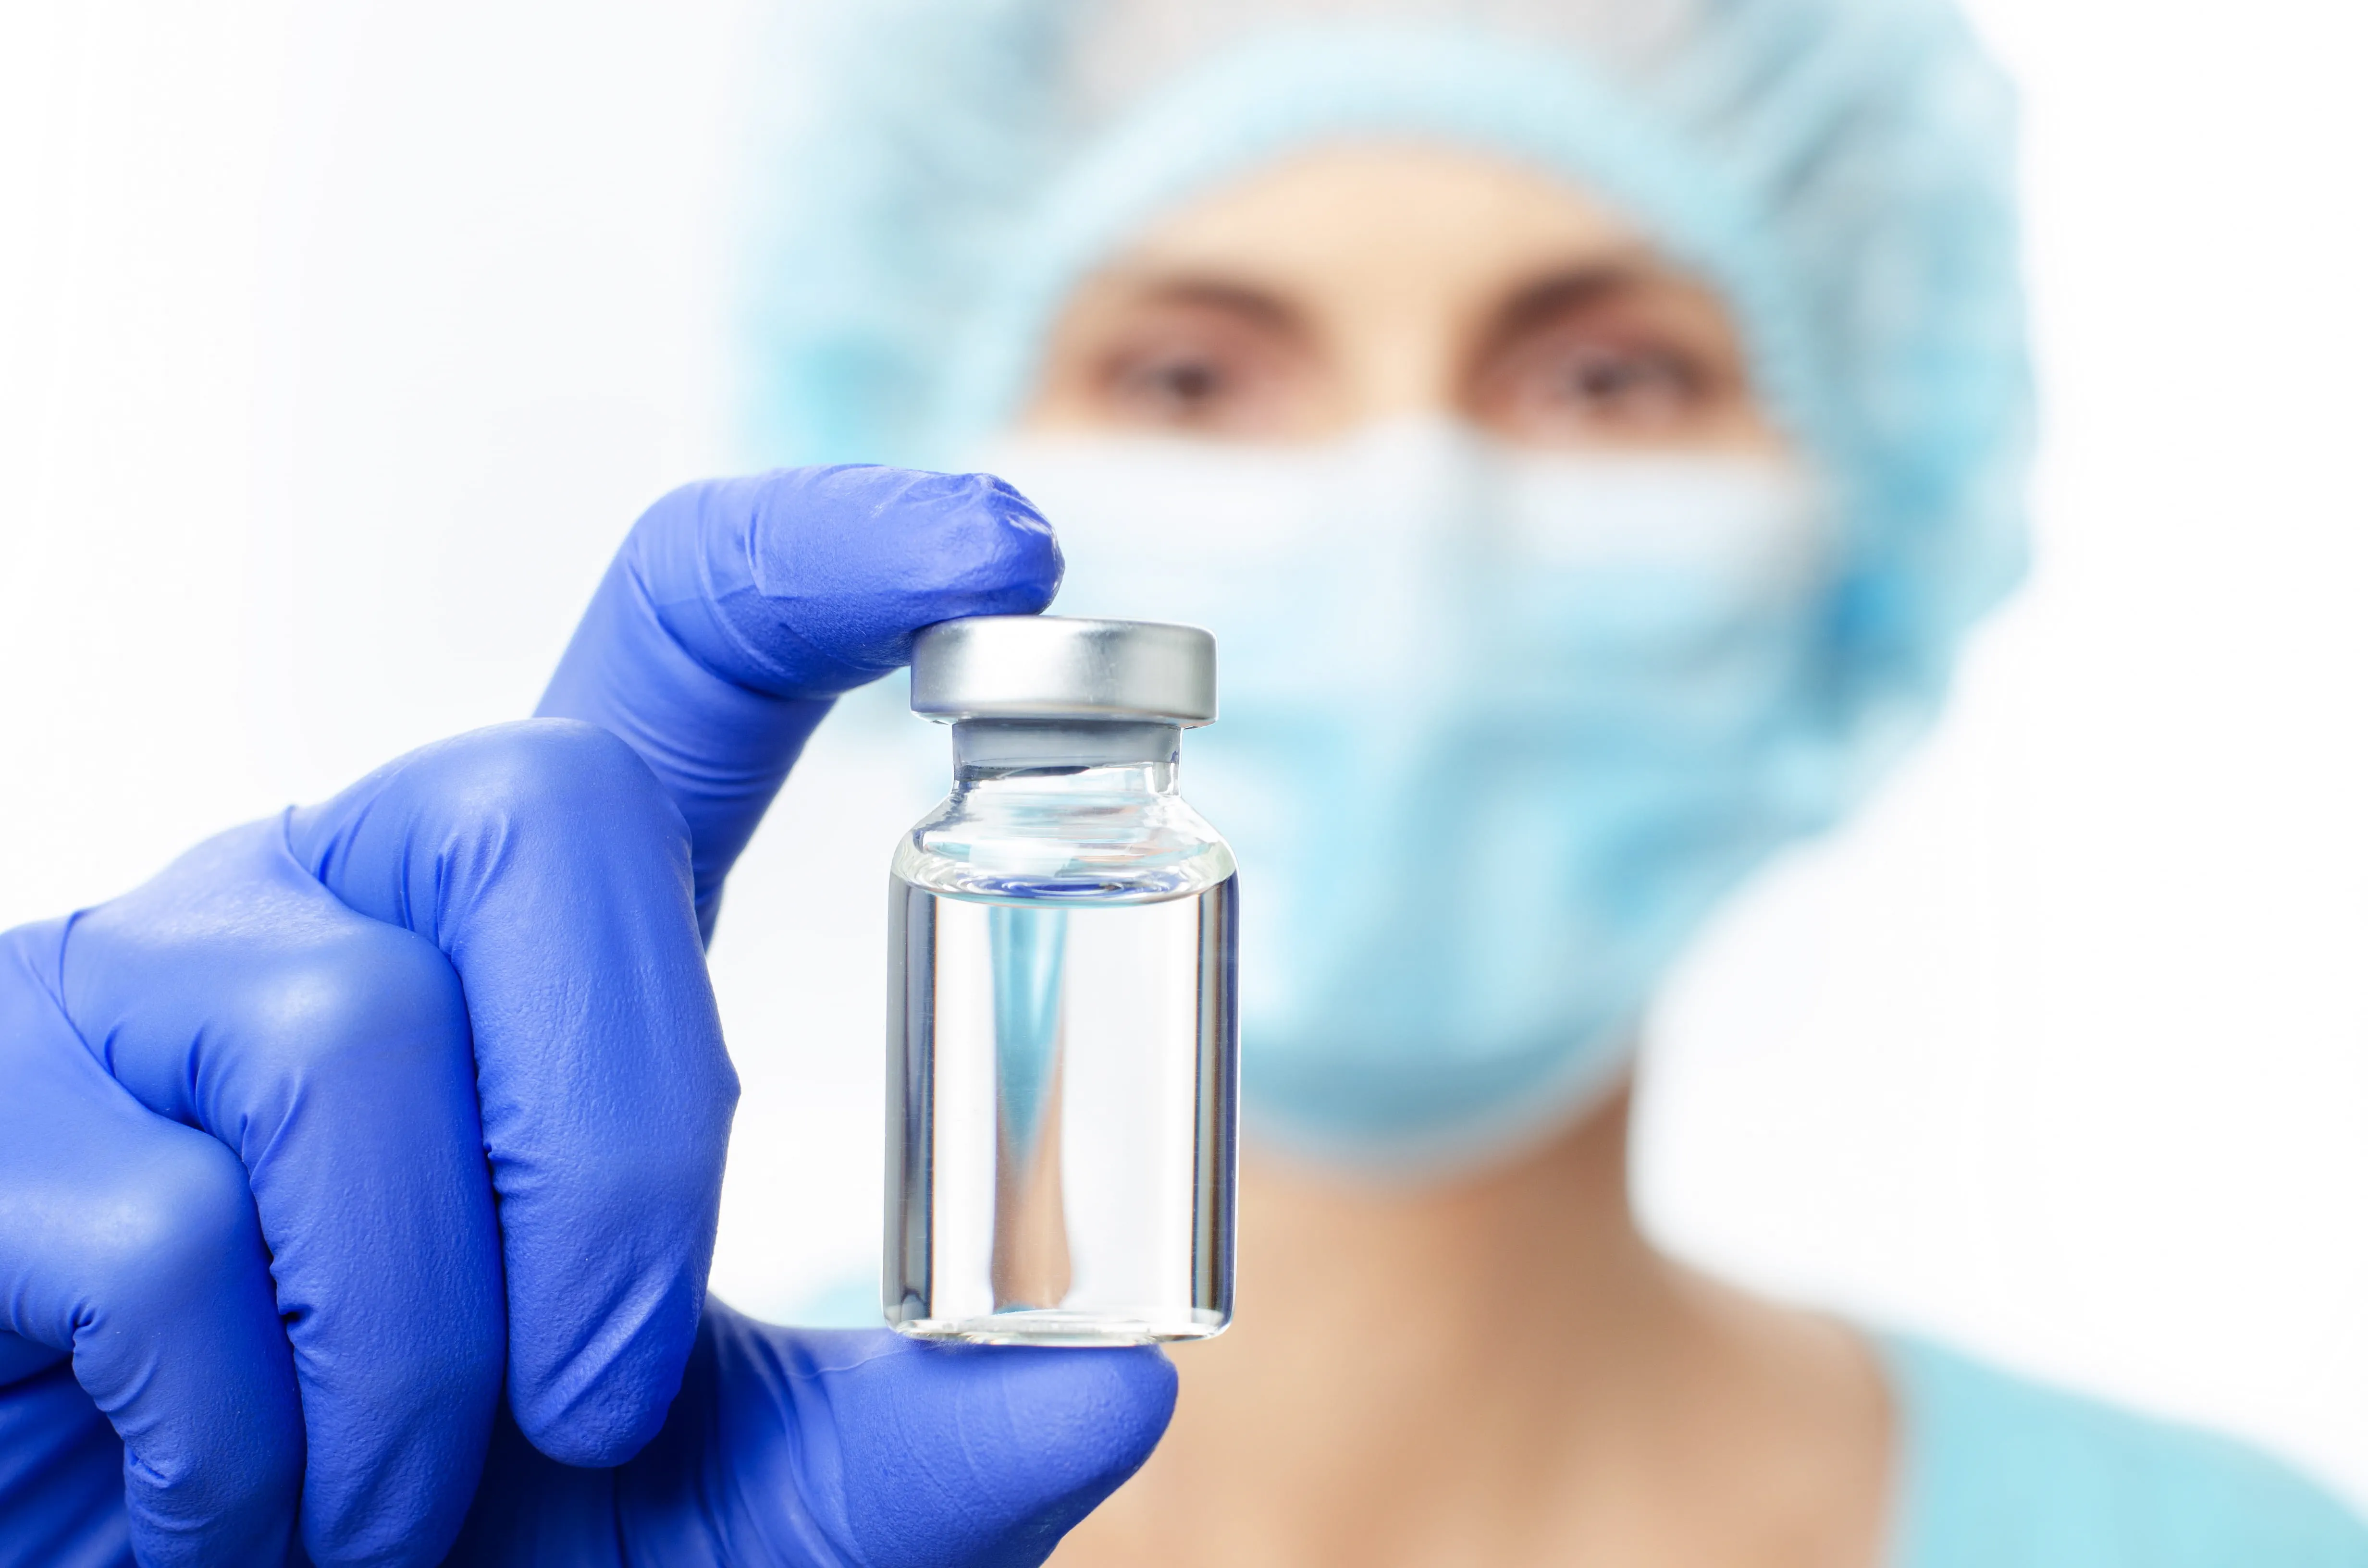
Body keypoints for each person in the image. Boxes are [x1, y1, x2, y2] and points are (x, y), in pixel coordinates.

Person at [0, 9, 2363, 1568]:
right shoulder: (546, 1459)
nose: (1407, 535)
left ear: (1861, 490)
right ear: (941, 398)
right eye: (1199, 373)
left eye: (1606, 376)